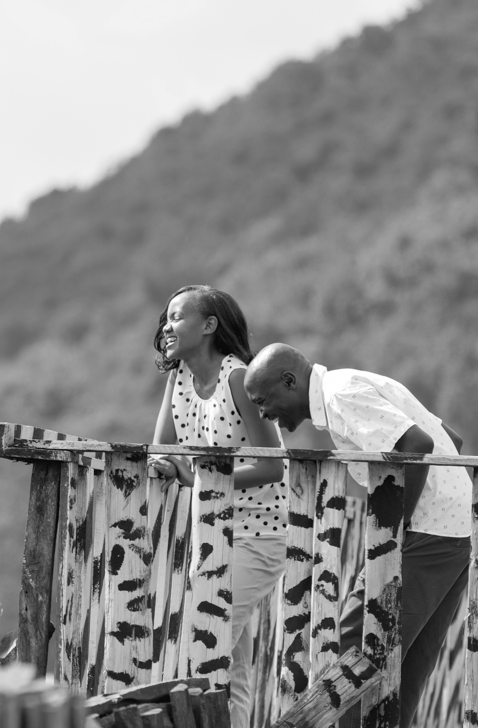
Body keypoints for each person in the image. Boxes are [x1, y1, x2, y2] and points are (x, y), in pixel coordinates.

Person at [243, 343, 470, 728]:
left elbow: (418, 445)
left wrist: (391, 536)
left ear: (289, 381)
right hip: (456, 530)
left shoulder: (339, 395)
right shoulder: (349, 383)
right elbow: (451, 438)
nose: (263, 413)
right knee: (403, 672)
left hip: (425, 534)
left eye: (263, 400)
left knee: (352, 653)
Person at [148, 285, 286, 728]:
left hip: (258, 535)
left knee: (205, 641)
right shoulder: (179, 378)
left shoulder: (237, 379)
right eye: (166, 318)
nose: (167, 326)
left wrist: (202, 478)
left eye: (177, 317)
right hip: (209, 532)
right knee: (233, 671)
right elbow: (160, 448)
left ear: (208, 326)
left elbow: (273, 466)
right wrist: (172, 468)